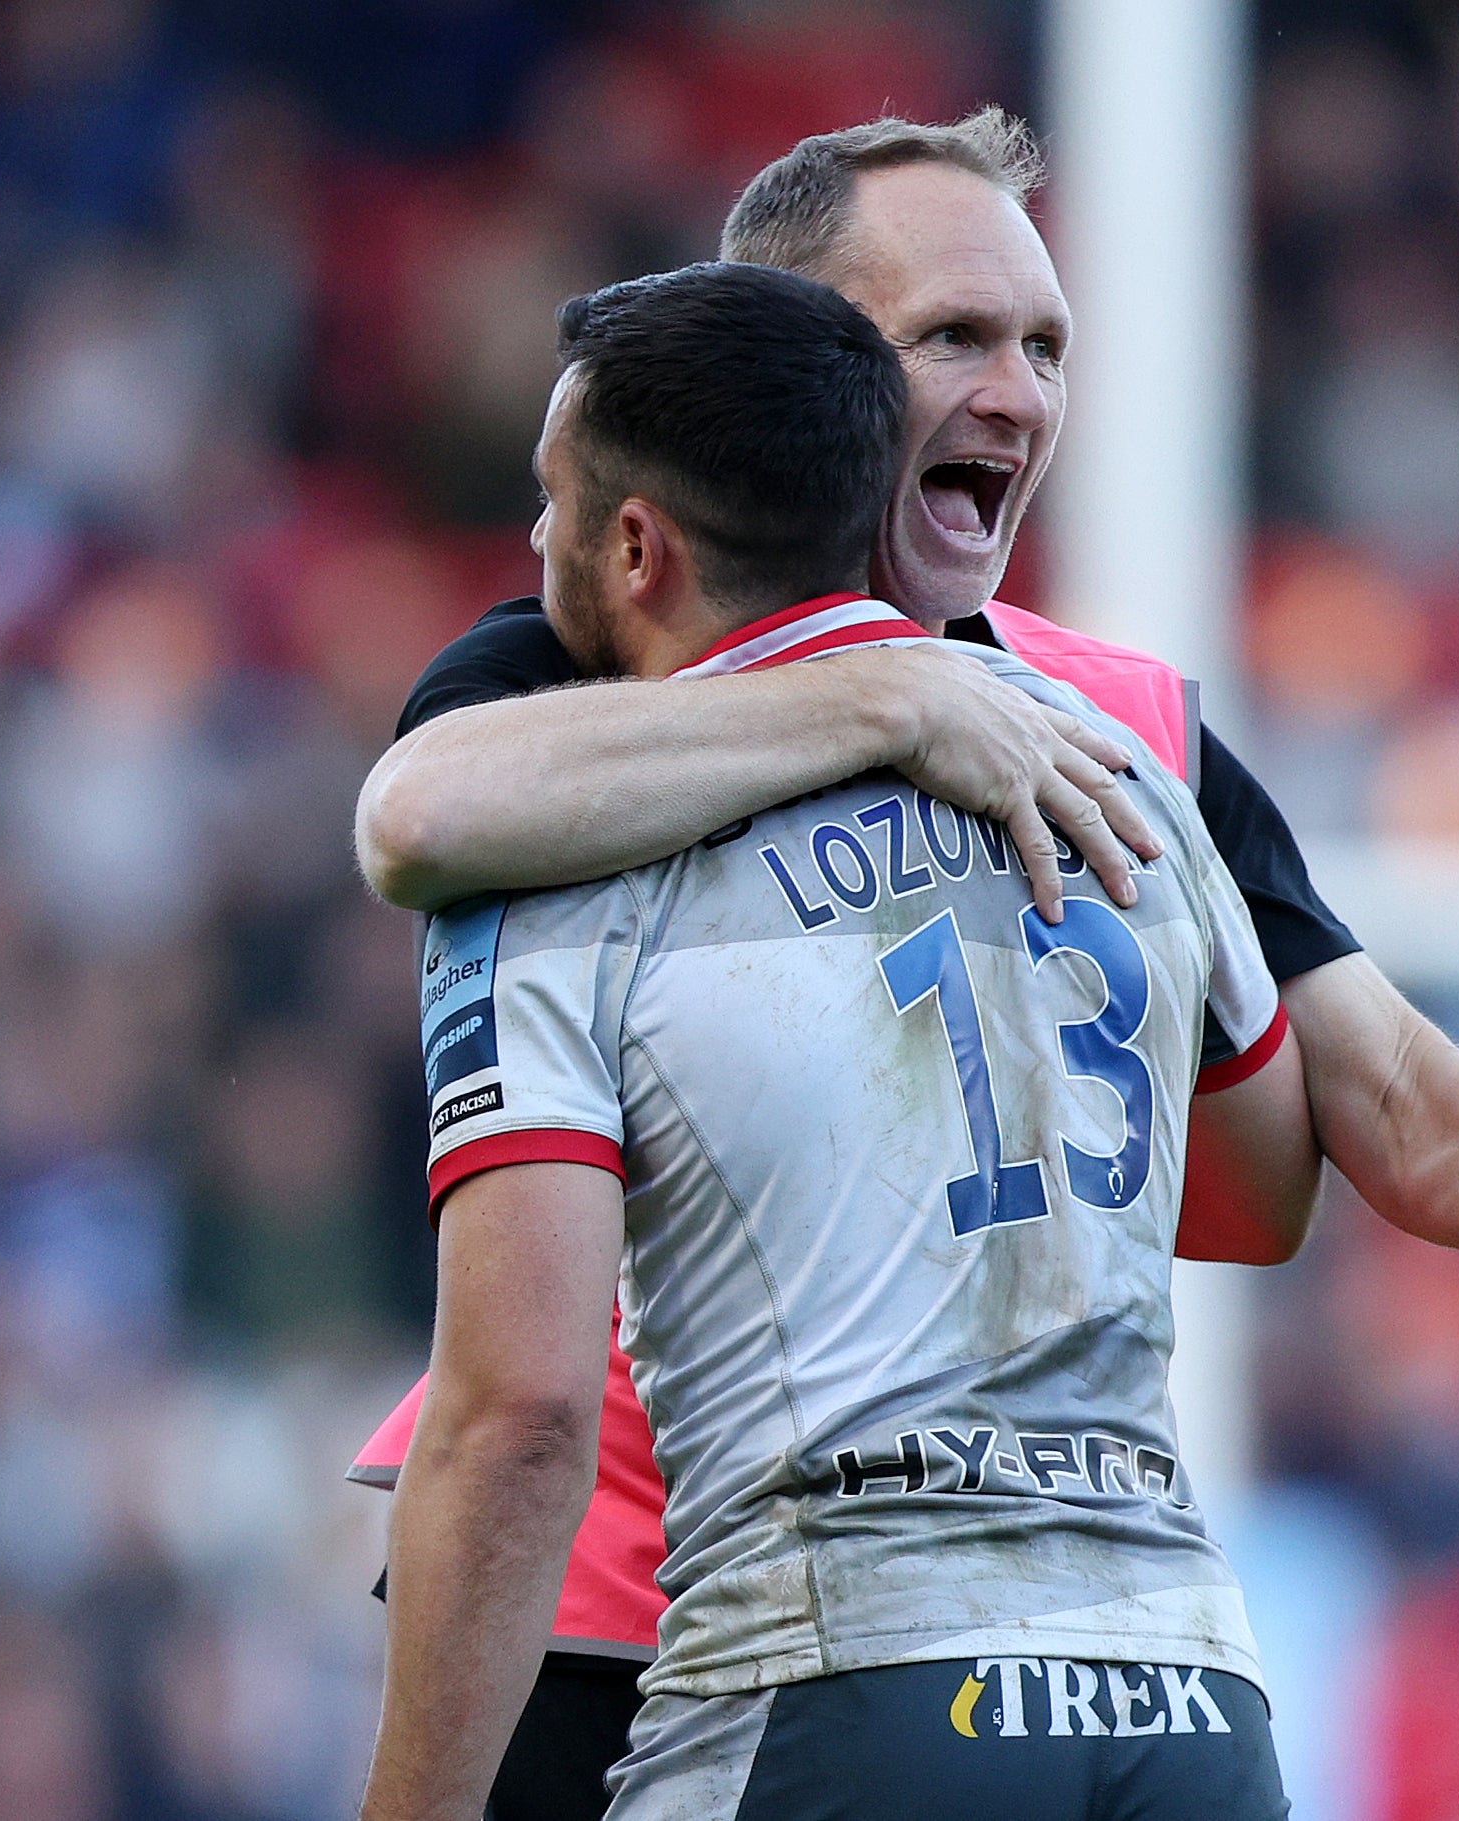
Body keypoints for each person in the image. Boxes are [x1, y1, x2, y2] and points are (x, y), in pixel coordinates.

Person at [353, 108, 1459, 1821]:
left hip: (879, 1644)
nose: (1018, 390)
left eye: (1043, 344)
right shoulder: (585, 647)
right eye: (953, 336)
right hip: (638, 1607)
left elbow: (1379, 1136)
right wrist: (889, 696)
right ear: (796, 360)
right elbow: (415, 814)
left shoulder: (1127, 726)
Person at [361, 258, 1315, 1821]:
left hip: (843, 1687)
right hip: (1186, 1693)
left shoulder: (554, 851)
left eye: (547, 501)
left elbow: (521, 1414)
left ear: (632, 542)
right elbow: (1266, 1188)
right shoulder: (1127, 784)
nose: (531, 541)